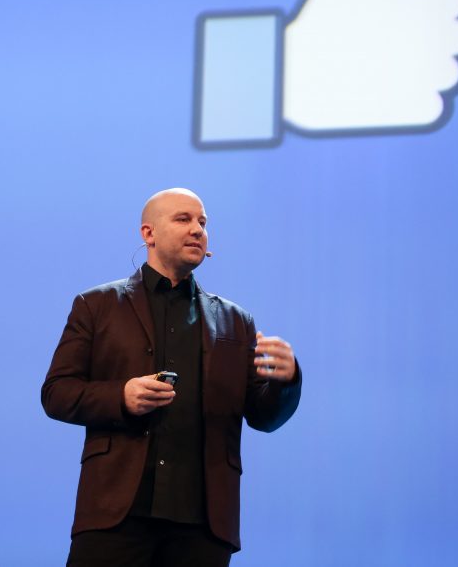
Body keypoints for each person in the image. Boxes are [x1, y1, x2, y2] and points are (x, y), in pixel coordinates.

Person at [42, 188, 302, 566]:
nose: (197, 229)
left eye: (203, 222)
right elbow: (57, 393)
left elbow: (264, 416)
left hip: (202, 525)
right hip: (116, 514)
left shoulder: (235, 321)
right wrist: (121, 396)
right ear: (148, 233)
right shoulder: (96, 305)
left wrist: (286, 381)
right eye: (183, 219)